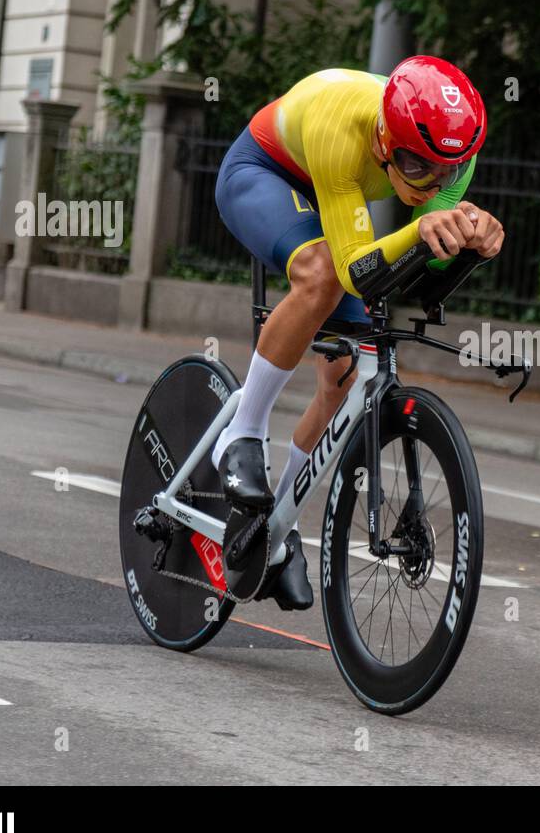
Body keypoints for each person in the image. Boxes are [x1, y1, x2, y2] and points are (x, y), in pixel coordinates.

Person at [211, 56, 505, 610]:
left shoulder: (445, 158)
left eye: (449, 172)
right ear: (382, 143)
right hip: (267, 173)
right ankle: (242, 430)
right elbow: (354, 270)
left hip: (337, 198)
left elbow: (423, 267)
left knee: (344, 373)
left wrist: (470, 239)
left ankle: (279, 523)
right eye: (417, 168)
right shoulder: (343, 126)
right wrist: (423, 227)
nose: (435, 184)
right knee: (320, 276)